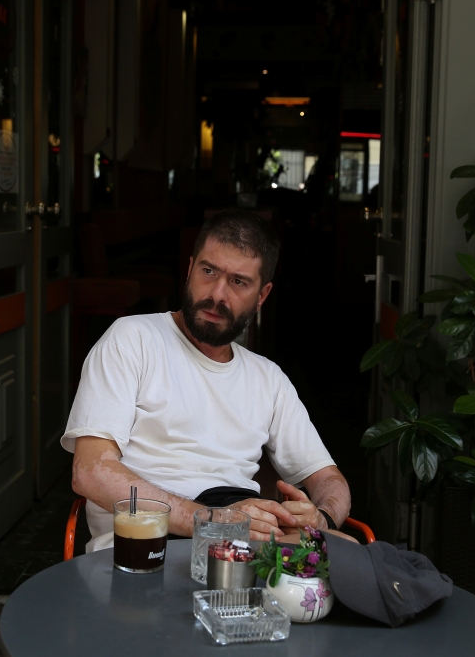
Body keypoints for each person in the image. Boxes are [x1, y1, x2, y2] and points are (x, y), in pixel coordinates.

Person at [61, 210, 351, 552]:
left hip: (240, 543)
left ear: (262, 296)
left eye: (238, 282)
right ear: (189, 269)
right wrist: (212, 521)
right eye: (208, 271)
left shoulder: (268, 378)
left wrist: (322, 518)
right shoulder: (132, 340)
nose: (217, 294)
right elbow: (90, 471)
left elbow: (329, 479)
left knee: (347, 553)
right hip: (149, 542)